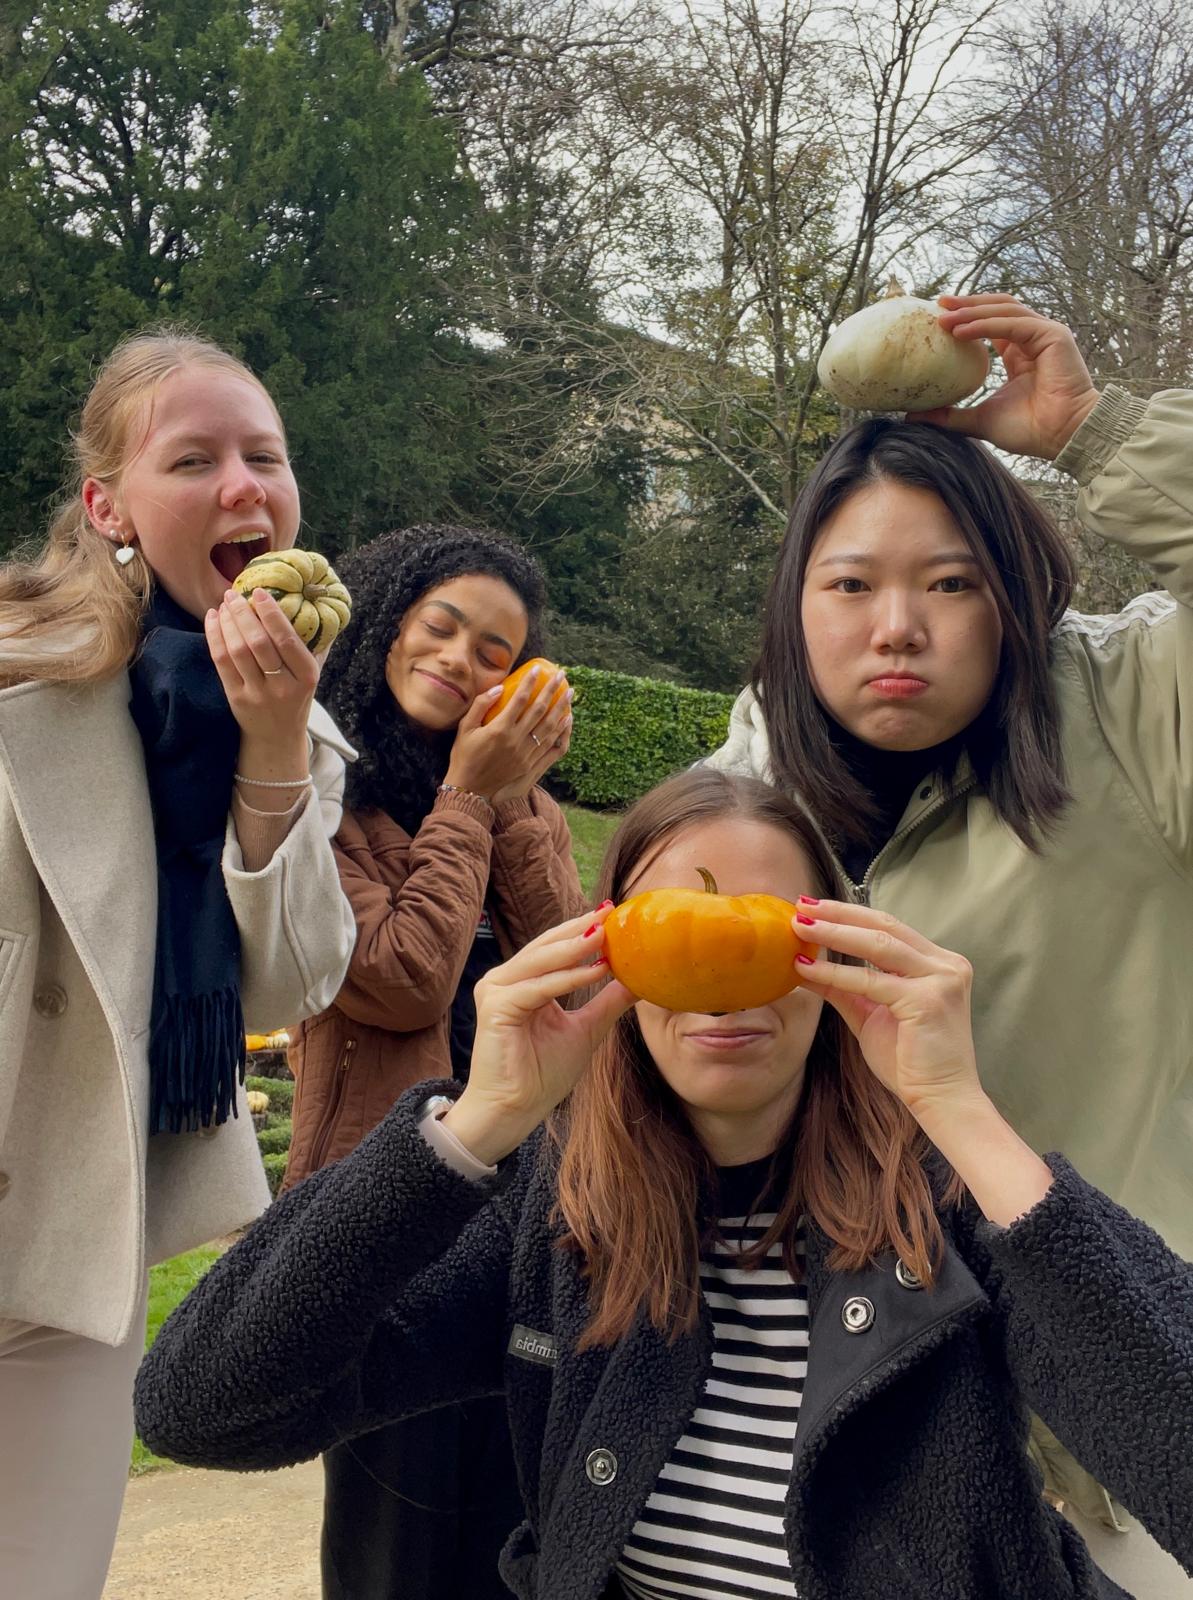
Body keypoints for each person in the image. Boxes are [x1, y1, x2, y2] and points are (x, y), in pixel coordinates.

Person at [135, 767, 1192, 1599]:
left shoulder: (950, 1206)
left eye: (763, 934)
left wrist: (959, 1113)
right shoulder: (557, 1216)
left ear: (834, 956)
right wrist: (469, 1130)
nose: (718, 986)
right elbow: (200, 1406)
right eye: (674, 938)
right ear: (610, 965)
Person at [701, 294, 1193, 1572]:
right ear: (793, 605)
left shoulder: (1138, 717)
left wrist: (1093, 430)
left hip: (1111, 1445)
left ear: (1011, 592)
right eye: (850, 583)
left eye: (948, 584)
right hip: (841, 1426)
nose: (896, 627)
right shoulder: (750, 789)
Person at [0, 328, 356, 1597]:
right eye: (194, 457)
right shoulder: (13, 670)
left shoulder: (290, 713)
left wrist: (269, 746)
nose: (243, 487)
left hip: (67, 1261)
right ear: (109, 506)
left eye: (264, 455)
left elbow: (293, 984)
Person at [282, 523, 586, 1600]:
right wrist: (465, 791)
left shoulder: (522, 802)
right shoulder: (324, 801)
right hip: (392, 1207)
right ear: (390, 630)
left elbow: (579, 971)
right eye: (441, 627)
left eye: (493, 652)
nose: (461, 659)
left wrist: (504, 795)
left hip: (535, 1208)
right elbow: (401, 973)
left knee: (522, 1511)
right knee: (395, 1535)